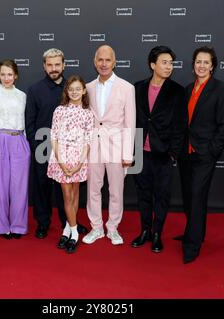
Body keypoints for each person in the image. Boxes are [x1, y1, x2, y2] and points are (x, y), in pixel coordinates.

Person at [176, 46, 224, 264]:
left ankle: (192, 245)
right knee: (189, 196)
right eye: (198, 62)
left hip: (204, 153)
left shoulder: (220, 89)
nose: (201, 66)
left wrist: (211, 151)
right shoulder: (188, 89)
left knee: (198, 197)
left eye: (206, 62)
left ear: (213, 66)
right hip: (186, 153)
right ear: (193, 65)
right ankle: (194, 231)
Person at [25, 48, 88, 239]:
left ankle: (68, 223)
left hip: (71, 150)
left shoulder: (71, 88)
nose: (54, 68)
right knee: (42, 187)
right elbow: (30, 123)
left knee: (67, 190)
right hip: (43, 146)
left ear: (64, 65)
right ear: (44, 66)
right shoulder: (35, 90)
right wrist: (39, 148)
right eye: (49, 65)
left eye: (57, 64)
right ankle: (43, 223)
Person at [131, 45, 186, 253]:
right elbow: (131, 119)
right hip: (140, 151)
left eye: (171, 63)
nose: (169, 66)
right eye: (164, 62)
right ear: (152, 65)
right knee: (143, 193)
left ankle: (156, 234)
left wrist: (173, 152)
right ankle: (144, 230)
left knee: (162, 195)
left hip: (163, 153)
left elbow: (181, 124)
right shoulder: (137, 88)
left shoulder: (177, 91)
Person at [82, 45, 136, 246]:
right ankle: (96, 227)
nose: (103, 64)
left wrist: (128, 154)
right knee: (92, 189)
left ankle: (113, 228)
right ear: (95, 62)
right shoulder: (87, 87)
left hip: (117, 145)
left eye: (107, 60)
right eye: (100, 60)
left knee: (116, 190)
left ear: (114, 62)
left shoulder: (127, 88)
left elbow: (130, 123)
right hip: (93, 146)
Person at [0, 60, 30, 240]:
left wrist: (24, 145)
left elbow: (25, 121)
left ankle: (18, 225)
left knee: (19, 187)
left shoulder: (22, 96)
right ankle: (2, 226)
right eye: (3, 74)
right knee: (0, 187)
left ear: (15, 75)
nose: (6, 78)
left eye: (10, 74)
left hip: (19, 140)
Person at [47, 75, 94, 253]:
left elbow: (88, 140)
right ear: (67, 91)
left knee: (74, 195)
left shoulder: (88, 113)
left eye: (77, 89)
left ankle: (67, 228)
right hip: (61, 157)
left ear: (83, 91)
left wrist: (80, 162)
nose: (74, 92)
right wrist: (61, 161)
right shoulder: (59, 110)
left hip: (79, 158)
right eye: (71, 89)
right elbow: (54, 137)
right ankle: (74, 233)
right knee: (67, 196)